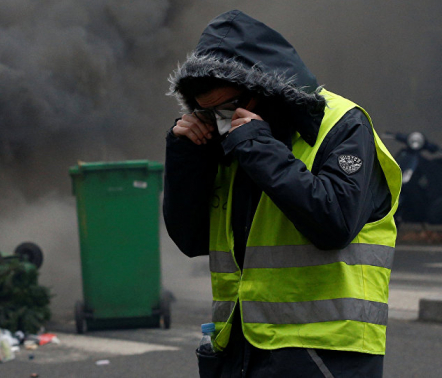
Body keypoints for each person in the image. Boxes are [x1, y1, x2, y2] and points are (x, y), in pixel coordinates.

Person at [163, 10, 401, 378]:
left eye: (227, 109)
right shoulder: (230, 136)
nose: (220, 122)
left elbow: (333, 224)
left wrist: (261, 149)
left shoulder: (341, 124)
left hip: (326, 354)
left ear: (264, 89)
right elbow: (193, 239)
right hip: (241, 350)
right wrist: (186, 157)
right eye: (207, 113)